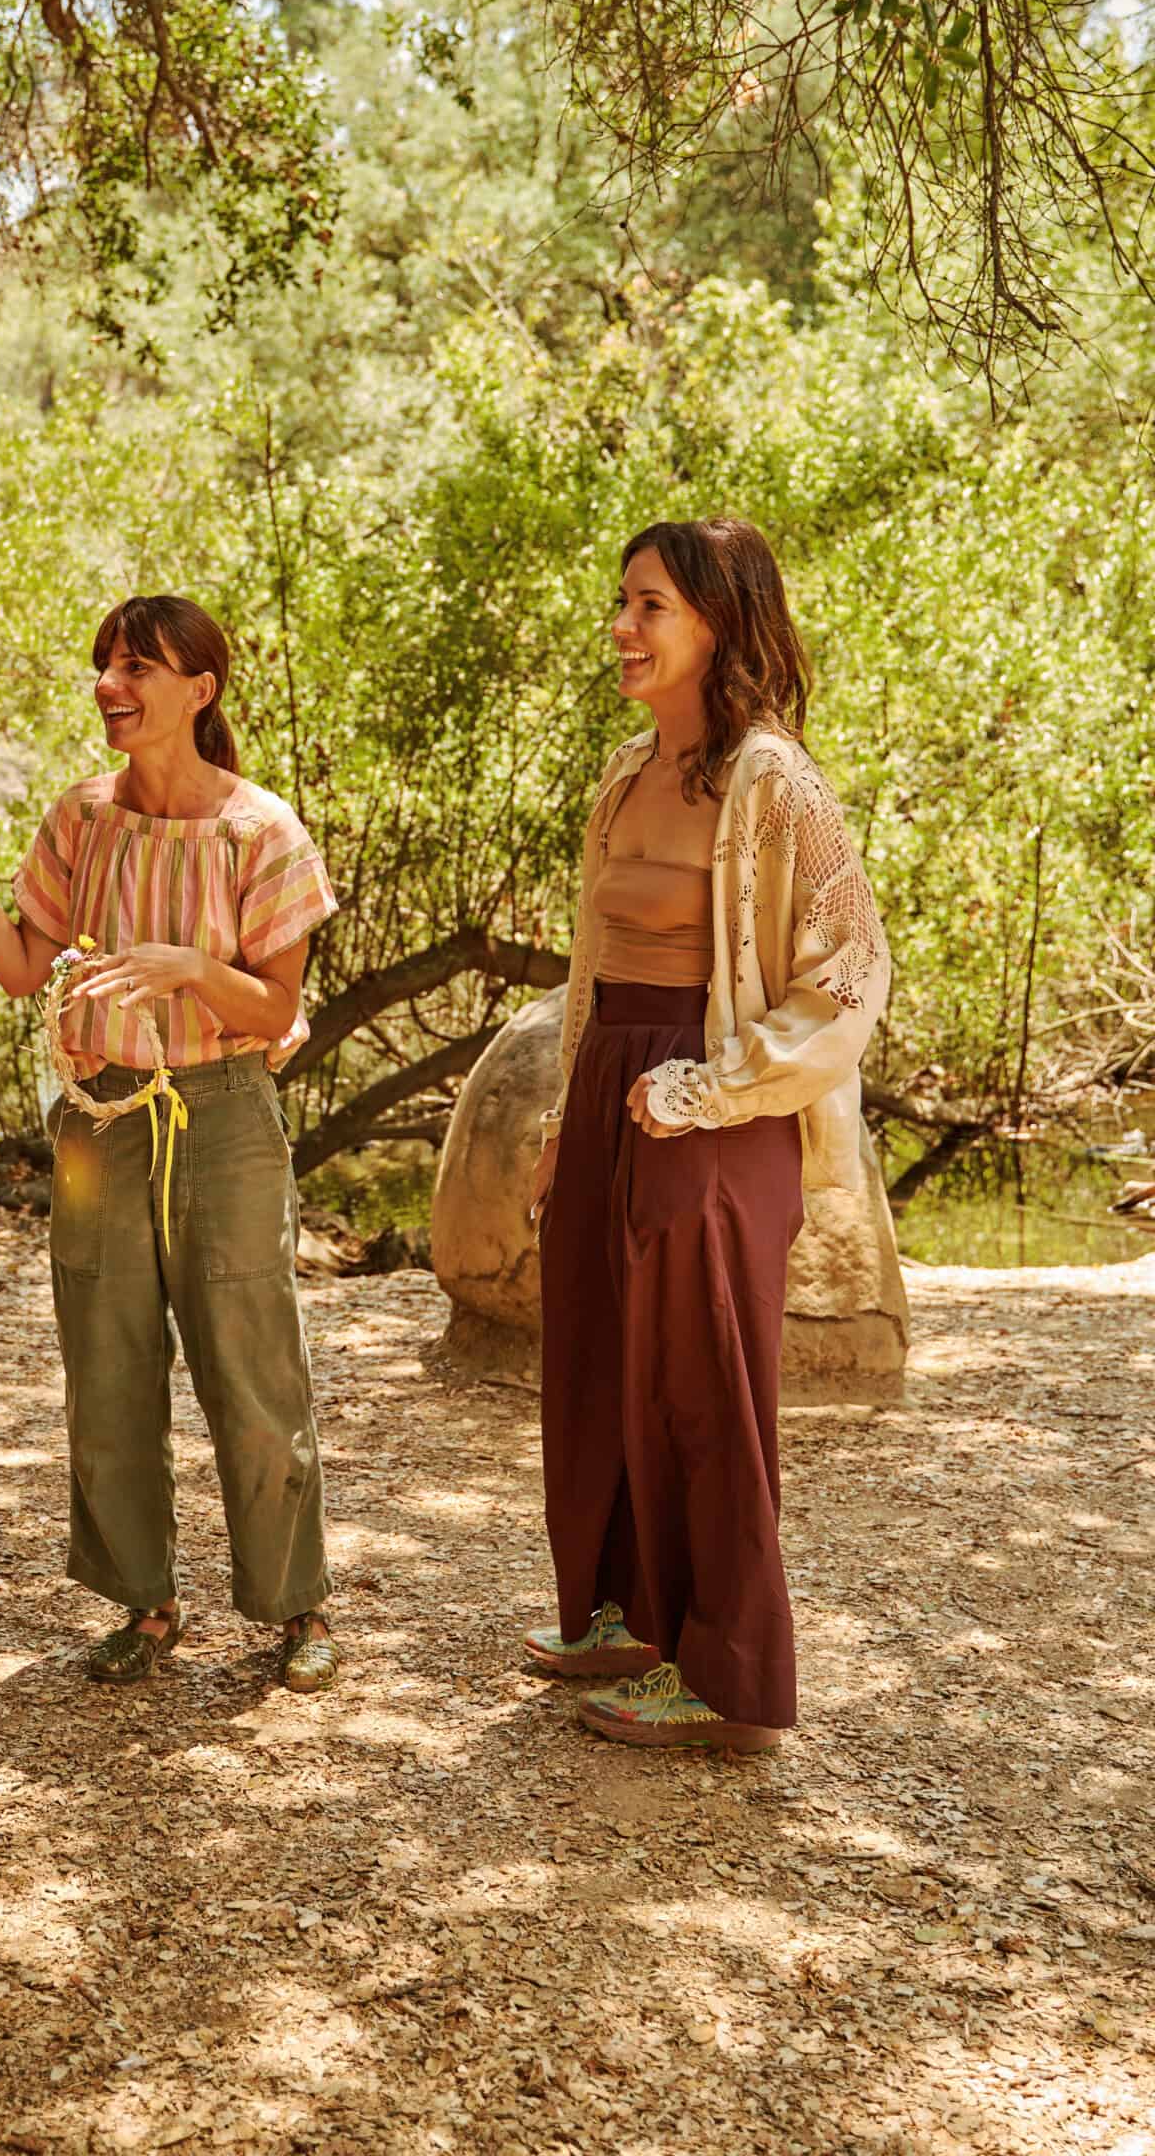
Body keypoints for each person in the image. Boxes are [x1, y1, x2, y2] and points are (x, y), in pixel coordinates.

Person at [0, 594, 343, 1692]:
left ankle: (296, 1608)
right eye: (106, 665)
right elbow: (20, 968)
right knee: (105, 1367)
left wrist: (191, 969)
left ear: (200, 689)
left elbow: (277, 1010)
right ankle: (144, 1604)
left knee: (252, 1365)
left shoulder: (260, 830)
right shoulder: (81, 819)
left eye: (137, 667)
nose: (110, 686)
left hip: (224, 1117)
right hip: (96, 1124)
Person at [526, 519, 890, 1752]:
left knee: (702, 1383)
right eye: (620, 601)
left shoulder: (774, 781)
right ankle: (629, 1619)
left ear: (718, 622)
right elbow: (592, 968)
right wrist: (565, 1118)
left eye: (650, 606)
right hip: (607, 1084)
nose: (621, 627)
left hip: (709, 1096)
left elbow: (850, 970)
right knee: (597, 1356)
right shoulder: (624, 771)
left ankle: (726, 1677)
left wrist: (714, 1084)